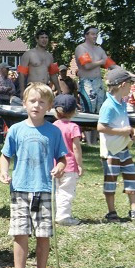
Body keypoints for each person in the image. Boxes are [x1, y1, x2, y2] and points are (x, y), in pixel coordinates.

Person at [0, 83, 68, 268]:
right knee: (20, 233)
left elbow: (62, 157)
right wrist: (3, 171)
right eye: (32, 101)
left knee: (43, 235)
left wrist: (60, 167)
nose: (36, 105)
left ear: (49, 107)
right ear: (25, 103)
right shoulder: (16, 130)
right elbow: (5, 155)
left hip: (44, 189)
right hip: (19, 189)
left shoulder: (54, 132)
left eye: (41, 102)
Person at [98, 66, 135, 222]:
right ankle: (111, 212)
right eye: (130, 83)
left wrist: (131, 131)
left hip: (123, 148)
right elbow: (101, 127)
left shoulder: (122, 103)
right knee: (111, 180)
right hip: (111, 151)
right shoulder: (109, 105)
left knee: (131, 177)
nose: (132, 86)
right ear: (122, 85)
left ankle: (134, 210)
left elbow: (123, 124)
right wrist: (123, 131)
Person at [51, 94, 83, 226]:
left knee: (56, 190)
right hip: (69, 165)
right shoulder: (73, 127)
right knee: (66, 191)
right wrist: (79, 164)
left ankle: (54, 213)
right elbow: (76, 148)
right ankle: (63, 216)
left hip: (54, 165)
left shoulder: (53, 126)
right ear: (74, 111)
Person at [74, 26, 116, 115]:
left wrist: (128, 74)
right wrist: (101, 61)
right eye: (92, 34)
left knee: (101, 110)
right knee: (88, 109)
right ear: (86, 35)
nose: (95, 36)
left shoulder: (99, 50)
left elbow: (111, 65)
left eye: (96, 34)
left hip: (99, 83)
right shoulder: (81, 48)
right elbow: (87, 66)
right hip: (87, 83)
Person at [18, 29, 59, 95]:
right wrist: (22, 91)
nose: (44, 40)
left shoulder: (50, 56)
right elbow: (21, 74)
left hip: (45, 87)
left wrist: (59, 90)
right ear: (37, 40)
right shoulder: (29, 54)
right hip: (32, 88)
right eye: (42, 38)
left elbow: (53, 74)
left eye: (46, 38)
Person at [0, 63, 16, 142]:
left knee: (9, 122)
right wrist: (7, 89)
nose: (8, 71)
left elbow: (13, 90)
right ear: (1, 69)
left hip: (6, 102)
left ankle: (11, 141)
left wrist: (5, 89)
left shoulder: (9, 80)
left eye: (8, 69)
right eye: (6, 69)